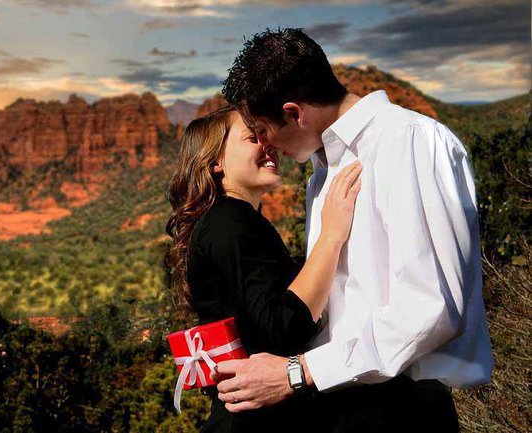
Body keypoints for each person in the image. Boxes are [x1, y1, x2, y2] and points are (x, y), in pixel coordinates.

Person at [211, 28, 494, 433]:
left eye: (261, 129)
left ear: (294, 113)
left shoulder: (408, 141)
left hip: (401, 411)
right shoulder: (322, 175)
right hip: (338, 404)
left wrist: (296, 372)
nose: (264, 143)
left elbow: (431, 310)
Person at [165, 105, 362, 432]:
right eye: (252, 137)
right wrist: (332, 235)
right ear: (215, 162)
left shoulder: (227, 221)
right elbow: (282, 328)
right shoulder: (230, 221)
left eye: (265, 133)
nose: (267, 143)